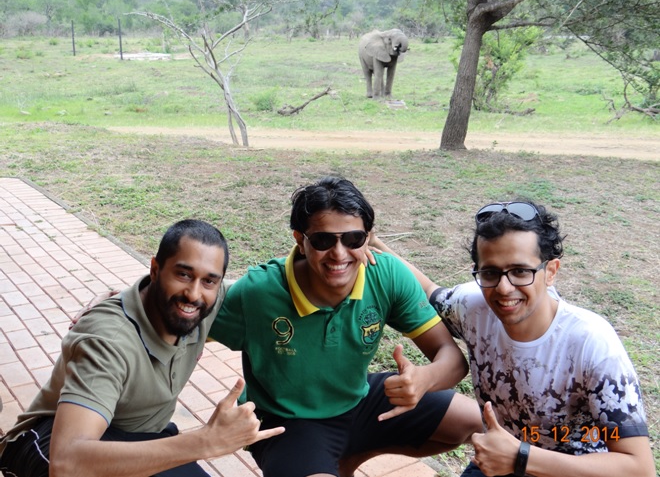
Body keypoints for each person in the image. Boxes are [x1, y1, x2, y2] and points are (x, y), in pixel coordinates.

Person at [209, 176, 484, 477]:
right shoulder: (259, 291)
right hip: (290, 421)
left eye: (353, 239)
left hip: (360, 399)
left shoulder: (387, 275)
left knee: (477, 421)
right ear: (300, 240)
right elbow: (190, 331)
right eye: (323, 240)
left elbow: (452, 358)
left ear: (368, 238)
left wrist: (424, 380)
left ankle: (354, 456)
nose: (339, 254)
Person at [371, 201, 655, 477]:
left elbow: (638, 468)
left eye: (520, 271)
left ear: (551, 271)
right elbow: (431, 291)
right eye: (490, 272)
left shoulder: (590, 343)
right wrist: (375, 245)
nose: (504, 288)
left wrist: (521, 457)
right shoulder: (474, 306)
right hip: (500, 463)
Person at [0, 219, 284, 477]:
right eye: (183, 275)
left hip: (140, 436)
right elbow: (67, 462)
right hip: (50, 443)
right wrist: (205, 442)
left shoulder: (208, 301)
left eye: (209, 280)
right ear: (155, 269)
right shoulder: (108, 340)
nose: (194, 294)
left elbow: (279, 284)